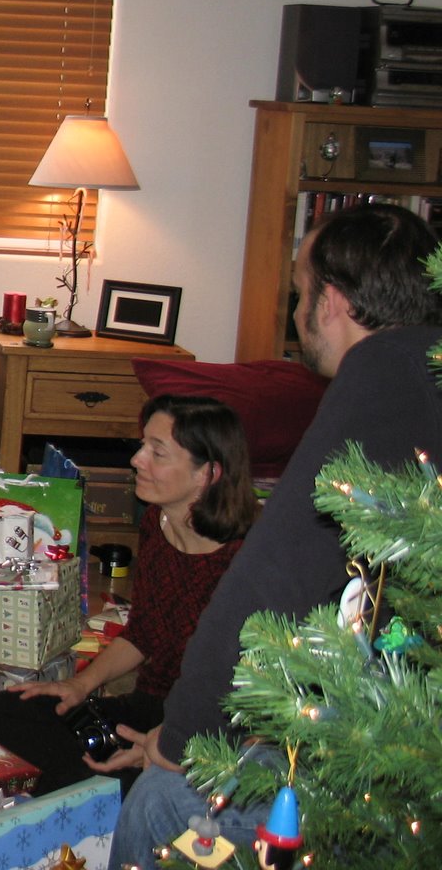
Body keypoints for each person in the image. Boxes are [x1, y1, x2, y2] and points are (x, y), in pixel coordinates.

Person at [111, 203, 442, 867]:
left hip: (400, 751)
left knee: (159, 803)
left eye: (299, 291)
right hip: (398, 698)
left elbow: (275, 581)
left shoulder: (380, 375)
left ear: (332, 303)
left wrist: (183, 738)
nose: (296, 314)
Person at [0, 395, 256, 797]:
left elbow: (245, 698)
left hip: (207, 729)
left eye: (157, 452)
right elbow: (142, 633)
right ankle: (101, 789)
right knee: (3, 710)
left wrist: (167, 743)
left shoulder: (246, 561)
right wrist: (80, 685)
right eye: (143, 445)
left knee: (140, 783)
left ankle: (105, 790)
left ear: (208, 473)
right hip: (147, 707)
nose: (137, 460)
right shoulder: (158, 523)